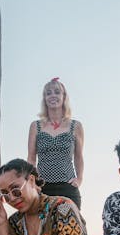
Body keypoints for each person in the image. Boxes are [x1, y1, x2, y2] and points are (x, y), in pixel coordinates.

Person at [27, 77, 85, 209]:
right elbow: (31, 158)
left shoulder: (76, 126)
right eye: (48, 93)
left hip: (67, 187)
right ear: (44, 99)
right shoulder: (36, 126)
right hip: (42, 188)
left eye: (57, 92)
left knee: (68, 228)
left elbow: (78, 156)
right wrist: (32, 182)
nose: (53, 96)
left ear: (64, 97)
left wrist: (79, 179)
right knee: (44, 228)